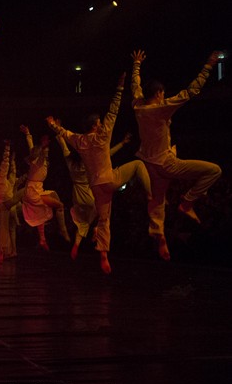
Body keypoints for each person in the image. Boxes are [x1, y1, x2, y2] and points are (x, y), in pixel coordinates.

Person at [47, 73, 151, 274]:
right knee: (138, 165)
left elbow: (63, 133)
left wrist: (53, 124)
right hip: (110, 179)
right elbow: (114, 111)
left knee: (104, 220)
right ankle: (149, 195)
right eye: (100, 122)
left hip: (96, 187)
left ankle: (103, 256)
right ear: (96, 125)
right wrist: (120, 87)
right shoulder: (103, 135)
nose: (103, 123)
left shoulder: (79, 140)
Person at [130, 50, 222, 260]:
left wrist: (136, 65)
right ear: (160, 93)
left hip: (149, 163)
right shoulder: (161, 108)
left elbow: (135, 87)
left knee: (157, 200)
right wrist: (208, 66)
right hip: (165, 163)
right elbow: (191, 91)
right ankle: (187, 203)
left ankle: (159, 236)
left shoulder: (138, 105)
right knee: (214, 171)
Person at [19, 125, 70, 250]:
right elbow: (36, 150)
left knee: (41, 213)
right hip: (33, 190)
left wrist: (28, 133)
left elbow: (32, 146)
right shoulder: (37, 158)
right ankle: (63, 230)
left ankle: (42, 239)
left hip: (37, 188)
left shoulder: (38, 156)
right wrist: (42, 144)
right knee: (59, 205)